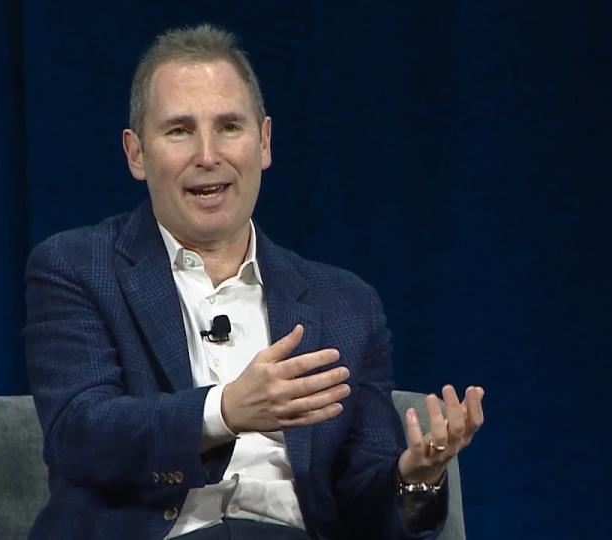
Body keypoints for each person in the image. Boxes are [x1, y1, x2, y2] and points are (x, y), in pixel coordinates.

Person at [24, 23, 484, 540]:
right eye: (179, 130)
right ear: (136, 153)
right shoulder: (77, 268)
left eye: (228, 127)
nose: (207, 155)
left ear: (263, 142)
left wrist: (414, 480)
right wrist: (224, 411)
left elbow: (361, 505)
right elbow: (80, 434)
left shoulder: (346, 304)